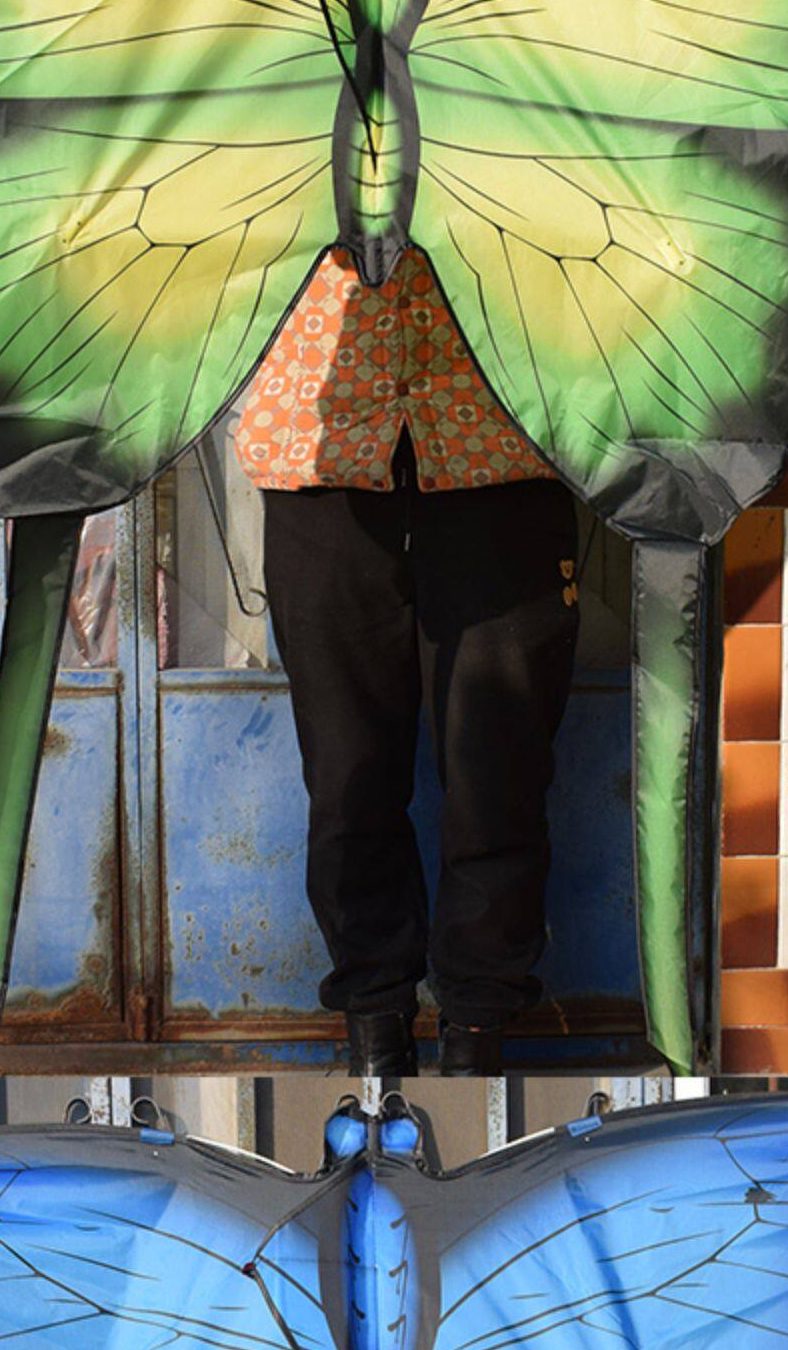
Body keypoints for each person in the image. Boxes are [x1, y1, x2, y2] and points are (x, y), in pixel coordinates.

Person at [235, 245, 581, 1077]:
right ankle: (374, 1033)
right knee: (346, 776)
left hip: (504, 444)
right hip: (319, 451)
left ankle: (478, 1038)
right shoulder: (276, 147)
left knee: (500, 775)